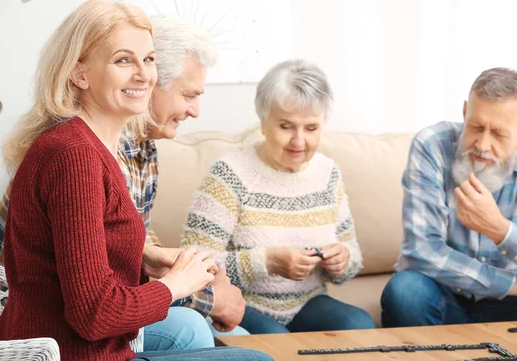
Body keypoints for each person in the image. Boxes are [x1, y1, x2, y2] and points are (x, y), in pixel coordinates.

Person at [0, 0, 271, 361]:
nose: (143, 74)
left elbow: (87, 261)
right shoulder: (73, 156)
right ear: (80, 73)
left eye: (148, 59)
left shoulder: (90, 148)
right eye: (123, 60)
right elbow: (94, 314)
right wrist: (174, 286)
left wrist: (144, 261)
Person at [181, 59, 375, 334]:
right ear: (263, 122)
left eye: (311, 128)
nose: (299, 141)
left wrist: (342, 259)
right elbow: (195, 263)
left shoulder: (327, 173)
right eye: (286, 126)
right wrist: (267, 262)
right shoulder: (230, 173)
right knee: (276, 341)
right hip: (244, 303)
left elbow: (352, 254)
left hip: (309, 302)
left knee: (358, 325)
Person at [381, 67, 517, 328]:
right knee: (407, 290)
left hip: (510, 307)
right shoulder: (432, 145)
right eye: (476, 127)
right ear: (465, 112)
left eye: (499, 134)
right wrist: (509, 284)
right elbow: (420, 251)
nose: (482, 145)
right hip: (443, 293)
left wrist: (499, 229)